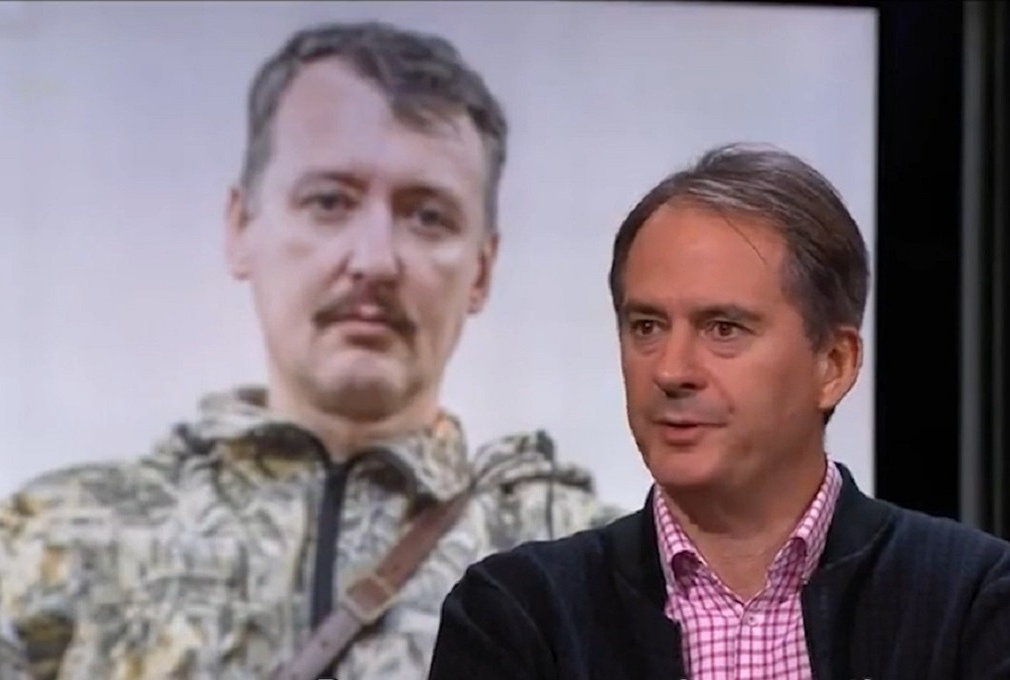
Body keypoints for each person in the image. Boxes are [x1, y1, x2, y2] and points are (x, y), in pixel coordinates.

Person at [0, 21, 622, 680]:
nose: (374, 260)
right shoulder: (44, 552)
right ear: (241, 226)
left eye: (427, 216)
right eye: (329, 202)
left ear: (482, 269)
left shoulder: (591, 574)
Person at [428, 143, 1010, 680]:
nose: (670, 370)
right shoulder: (517, 616)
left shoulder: (970, 602)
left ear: (833, 364)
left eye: (723, 328)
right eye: (647, 326)